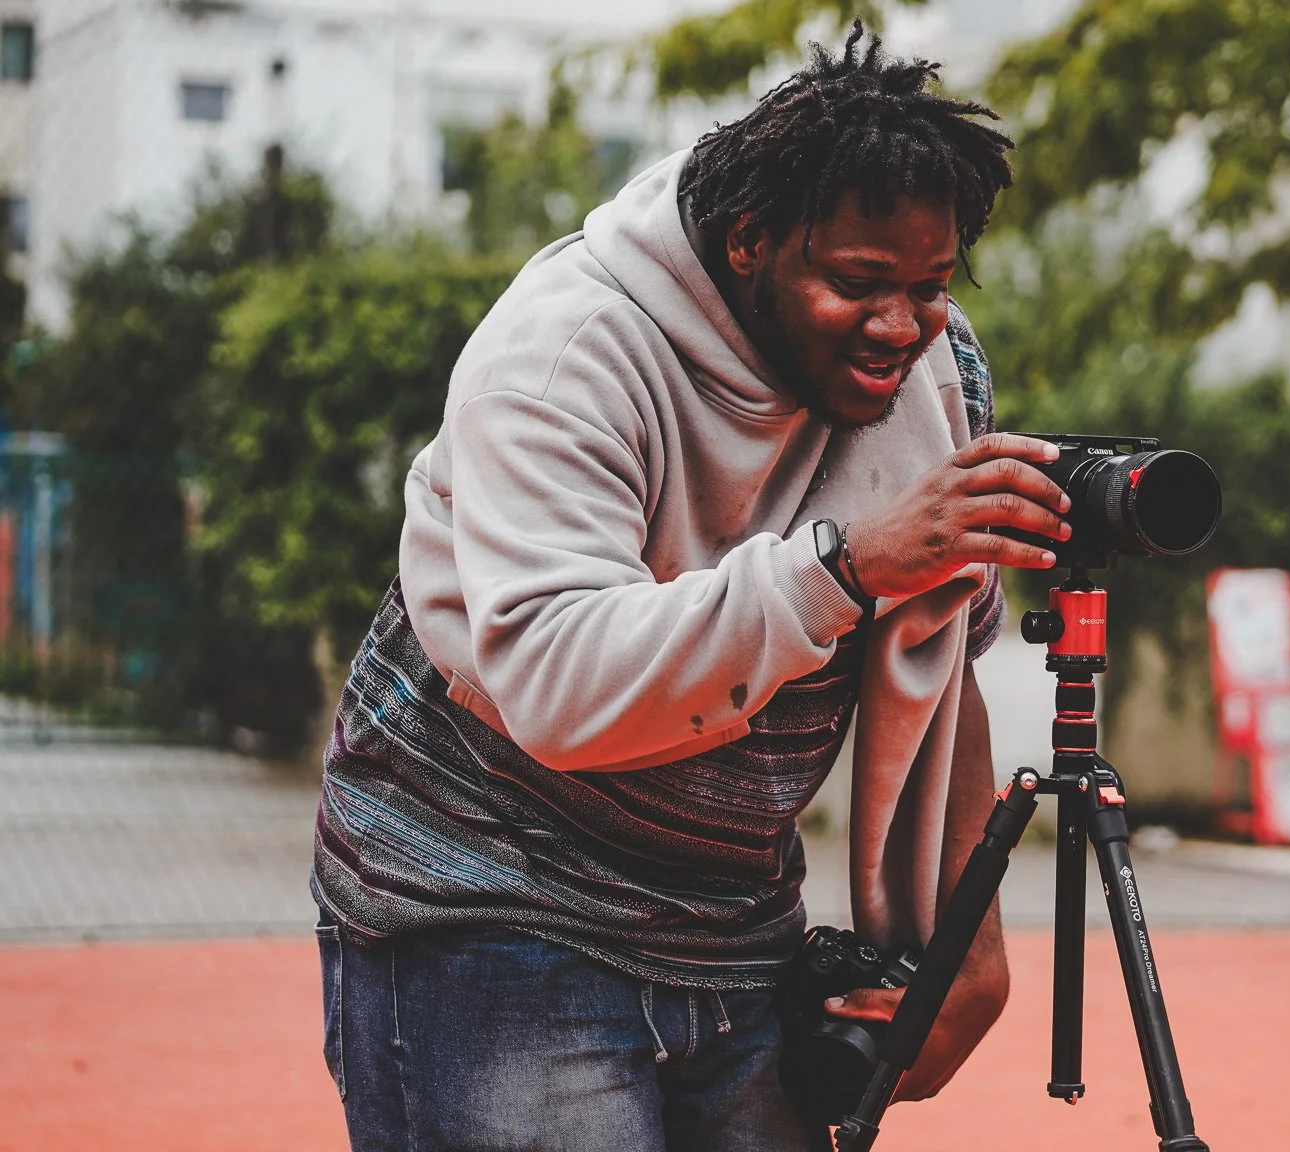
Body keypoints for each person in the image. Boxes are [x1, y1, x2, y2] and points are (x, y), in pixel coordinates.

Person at [309, 28, 1073, 1150]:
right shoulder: (567, 354)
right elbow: (559, 682)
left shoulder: (936, 372)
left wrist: (971, 946)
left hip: (732, 919)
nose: (904, 327)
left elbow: (941, 657)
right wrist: (848, 565)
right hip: (488, 893)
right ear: (748, 242)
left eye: (929, 284)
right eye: (859, 284)